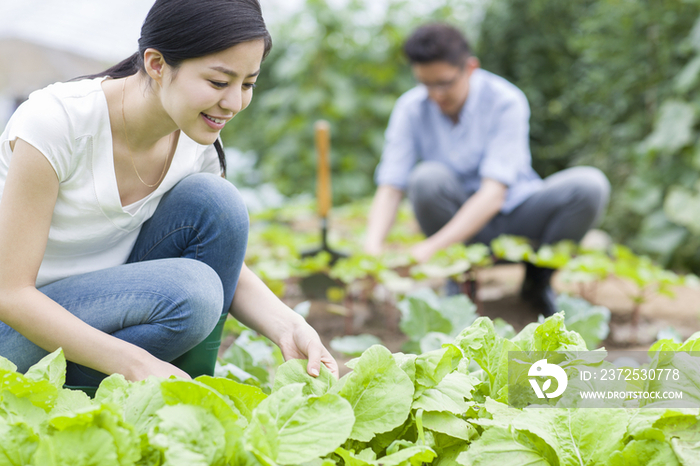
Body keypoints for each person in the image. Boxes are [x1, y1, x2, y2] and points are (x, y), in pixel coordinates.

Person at [0, 0, 337, 387]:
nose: (234, 103)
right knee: (192, 291)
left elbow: (226, 263)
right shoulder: (58, 123)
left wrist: (288, 326)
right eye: (218, 82)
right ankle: (91, 387)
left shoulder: (196, 139)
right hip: (15, 330)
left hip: (111, 309)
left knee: (217, 204)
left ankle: (189, 394)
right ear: (157, 64)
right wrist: (135, 364)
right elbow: (10, 294)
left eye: (247, 85)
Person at [364, 23, 610, 316]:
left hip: (517, 217)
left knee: (590, 186)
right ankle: (458, 278)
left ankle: (537, 281)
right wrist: (371, 250)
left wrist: (427, 250)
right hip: (458, 224)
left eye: (444, 83)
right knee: (425, 179)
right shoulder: (410, 108)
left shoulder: (506, 101)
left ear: (470, 68)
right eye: (426, 84)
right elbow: (391, 186)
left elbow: (493, 195)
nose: (435, 95)